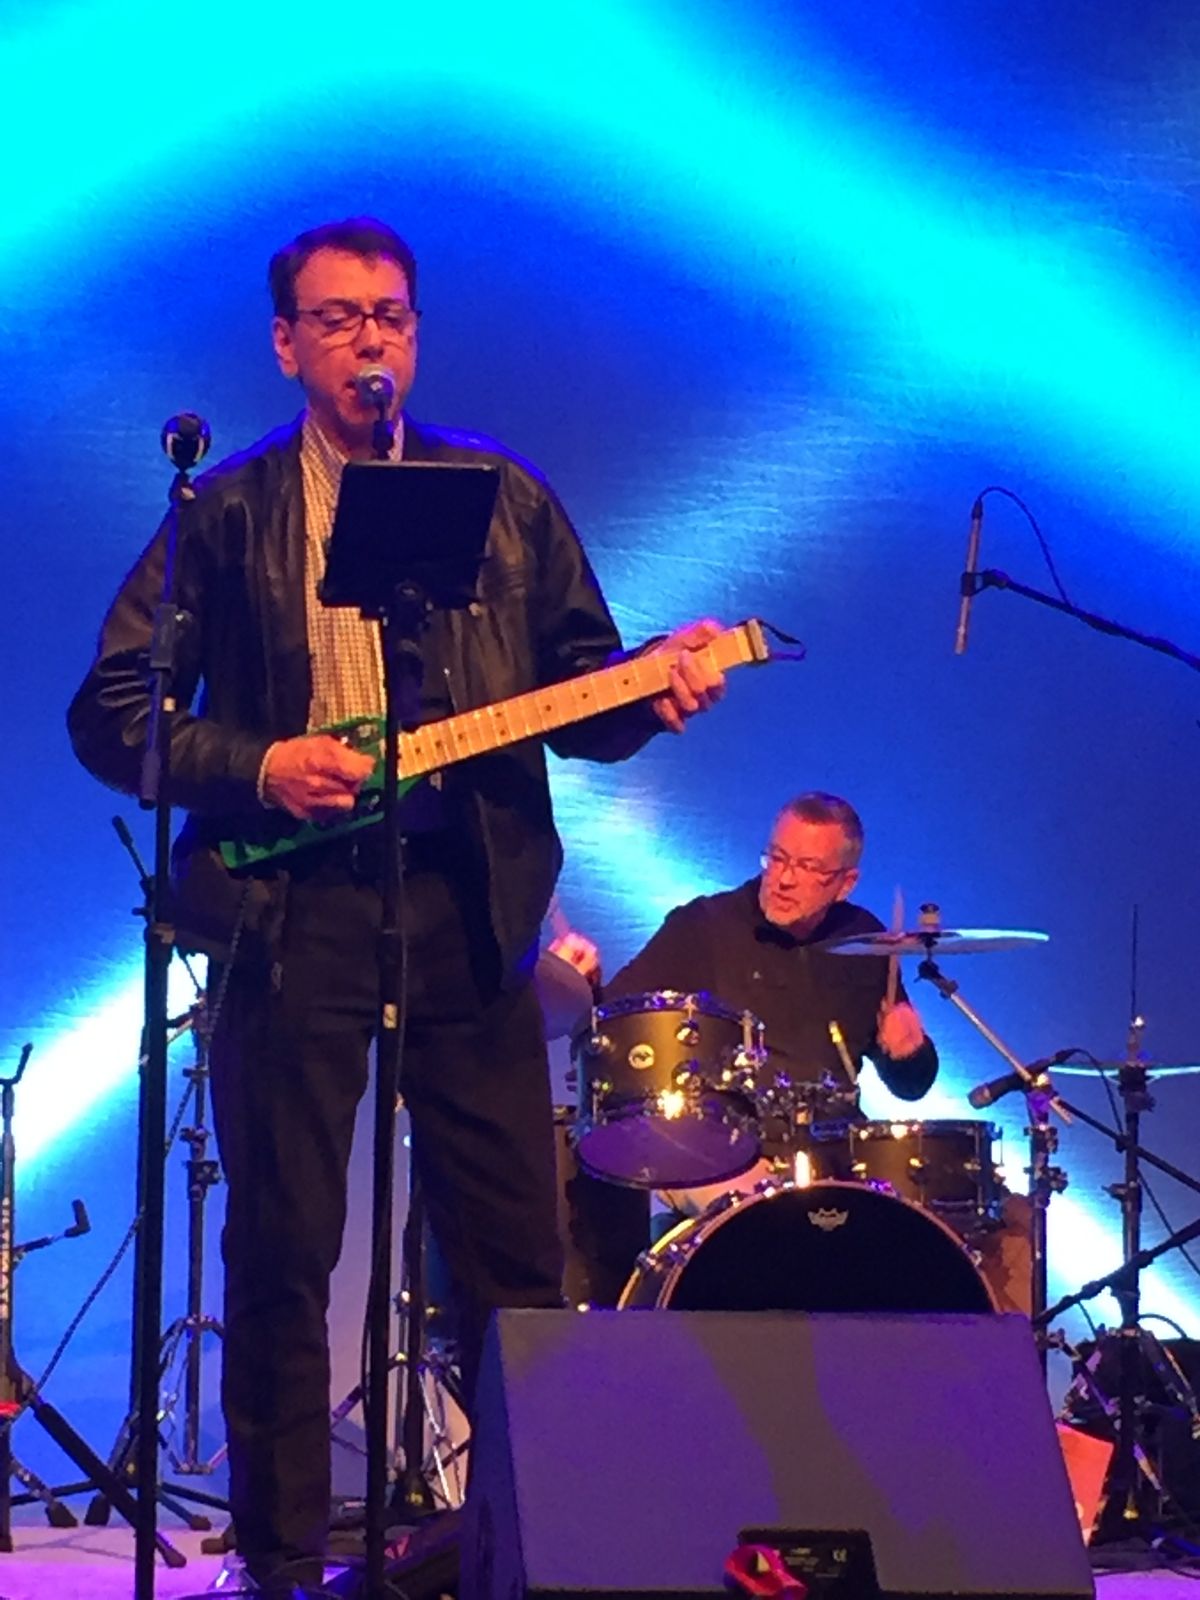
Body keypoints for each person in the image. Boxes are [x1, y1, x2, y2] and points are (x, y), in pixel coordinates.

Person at [66, 216, 725, 1595]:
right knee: (282, 1245)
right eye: (341, 317)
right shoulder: (226, 513)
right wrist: (260, 764)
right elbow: (113, 711)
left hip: (466, 909)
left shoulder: (503, 496)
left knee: (514, 1249)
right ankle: (280, 1559)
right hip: (289, 916)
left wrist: (652, 692)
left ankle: (541, 1548)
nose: (372, 338)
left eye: (393, 316)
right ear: (286, 344)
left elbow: (584, 694)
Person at [596, 790, 939, 1208]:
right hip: (718, 1151)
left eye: (807, 867)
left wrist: (909, 1054)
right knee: (769, 1218)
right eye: (777, 858)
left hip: (832, 1155)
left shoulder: (864, 940)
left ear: (845, 883)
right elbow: (611, 1026)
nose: (784, 879)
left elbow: (910, 1087)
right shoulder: (705, 926)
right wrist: (586, 985)